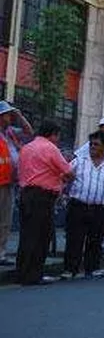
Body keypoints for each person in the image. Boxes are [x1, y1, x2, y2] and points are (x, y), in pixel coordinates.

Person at [60, 130, 104, 280]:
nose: (92, 147)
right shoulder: (79, 161)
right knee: (74, 238)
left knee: (96, 239)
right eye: (91, 144)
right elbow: (65, 176)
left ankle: (92, 268)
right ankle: (70, 269)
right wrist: (62, 193)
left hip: (100, 208)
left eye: (97, 144)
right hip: (78, 205)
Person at [15, 122, 71, 285]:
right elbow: (68, 171)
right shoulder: (50, 148)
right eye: (58, 136)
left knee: (26, 235)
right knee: (41, 236)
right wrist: (63, 178)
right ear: (53, 134)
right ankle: (34, 274)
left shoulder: (27, 147)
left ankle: (22, 272)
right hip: (43, 196)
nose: (58, 139)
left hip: (26, 193)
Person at [0, 100, 33, 266]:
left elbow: (29, 132)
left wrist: (19, 115)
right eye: (7, 115)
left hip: (9, 182)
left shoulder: (11, 132)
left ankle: (1, 253)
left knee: (5, 220)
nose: (10, 117)